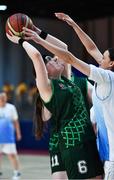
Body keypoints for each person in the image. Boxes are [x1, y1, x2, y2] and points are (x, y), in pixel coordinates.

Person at [20, 12, 114, 180]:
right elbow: (89, 49)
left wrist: (37, 38)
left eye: (104, 58)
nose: (56, 58)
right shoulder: (53, 86)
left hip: (87, 144)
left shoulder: (100, 77)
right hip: (66, 142)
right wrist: (70, 25)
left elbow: (67, 54)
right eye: (52, 59)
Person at [0, 92, 21, 180]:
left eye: (4, 98)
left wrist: (18, 133)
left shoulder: (11, 108)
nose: (2, 99)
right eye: (1, 98)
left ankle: (16, 173)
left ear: (6, 98)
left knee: (12, 155)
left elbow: (15, 122)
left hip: (8, 138)